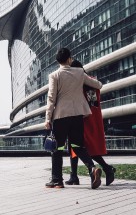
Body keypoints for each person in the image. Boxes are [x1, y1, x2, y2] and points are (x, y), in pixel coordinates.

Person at [44, 47, 103, 189]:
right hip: (77, 115)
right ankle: (92, 169)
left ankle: (57, 180)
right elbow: (98, 85)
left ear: (58, 61)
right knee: (78, 146)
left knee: (57, 148)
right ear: (69, 59)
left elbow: (51, 98)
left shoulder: (54, 75)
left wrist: (47, 119)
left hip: (61, 116)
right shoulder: (79, 72)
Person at [66, 59, 116, 186]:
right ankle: (74, 176)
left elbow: (91, 103)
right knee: (74, 146)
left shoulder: (87, 82)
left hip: (87, 119)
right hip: (87, 118)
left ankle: (106, 168)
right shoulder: (87, 81)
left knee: (83, 148)